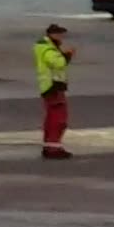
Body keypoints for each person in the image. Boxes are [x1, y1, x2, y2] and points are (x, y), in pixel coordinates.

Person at [34, 24, 75, 160]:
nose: (61, 37)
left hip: (50, 86)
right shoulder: (48, 48)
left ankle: (49, 146)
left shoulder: (45, 46)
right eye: (59, 34)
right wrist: (67, 55)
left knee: (52, 118)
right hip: (54, 86)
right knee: (58, 119)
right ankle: (54, 148)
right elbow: (57, 63)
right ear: (52, 34)